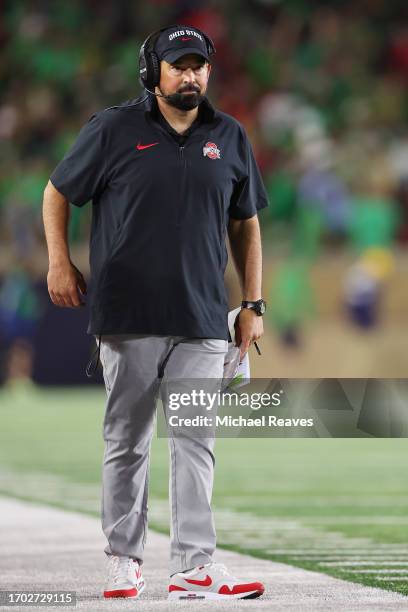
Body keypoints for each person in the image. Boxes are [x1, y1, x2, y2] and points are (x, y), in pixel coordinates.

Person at [43, 24, 268, 601]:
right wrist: (59, 263)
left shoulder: (230, 135)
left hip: (202, 319)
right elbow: (57, 191)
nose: (190, 74)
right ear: (152, 71)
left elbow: (246, 223)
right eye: (178, 64)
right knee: (128, 439)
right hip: (128, 315)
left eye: (199, 65)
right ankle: (124, 559)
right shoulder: (113, 128)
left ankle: (194, 565)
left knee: (196, 442)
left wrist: (253, 304)